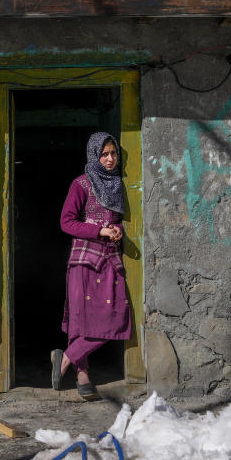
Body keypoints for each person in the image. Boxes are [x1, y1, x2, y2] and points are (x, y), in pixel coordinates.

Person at [52, 132, 131, 400]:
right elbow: (67, 222)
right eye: (104, 154)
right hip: (84, 260)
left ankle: (67, 357)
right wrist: (100, 231)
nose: (110, 159)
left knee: (116, 318)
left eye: (113, 154)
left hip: (110, 259)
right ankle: (82, 374)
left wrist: (117, 230)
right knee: (80, 320)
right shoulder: (81, 184)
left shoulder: (118, 184)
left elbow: (117, 220)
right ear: (94, 156)